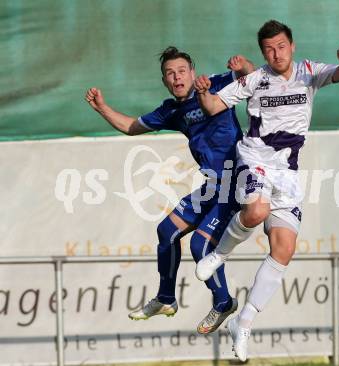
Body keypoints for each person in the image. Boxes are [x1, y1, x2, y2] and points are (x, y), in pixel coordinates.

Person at [194, 20, 339, 360]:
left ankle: (244, 322)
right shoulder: (255, 80)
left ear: (292, 46)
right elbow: (212, 106)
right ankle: (218, 255)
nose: (276, 53)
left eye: (281, 46)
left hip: (287, 172)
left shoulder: (309, 72)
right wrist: (202, 90)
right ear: (263, 52)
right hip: (254, 159)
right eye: (269, 48)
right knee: (256, 211)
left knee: (284, 247)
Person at [85, 46, 254, 334]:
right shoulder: (171, 110)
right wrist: (102, 107)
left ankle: (224, 301)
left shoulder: (214, 84)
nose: (177, 78)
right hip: (212, 186)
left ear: (192, 72)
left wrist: (242, 66)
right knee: (166, 231)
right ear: (164, 80)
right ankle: (165, 299)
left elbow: (253, 77)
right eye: (170, 73)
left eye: (181, 71)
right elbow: (129, 126)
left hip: (235, 181)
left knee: (200, 246)